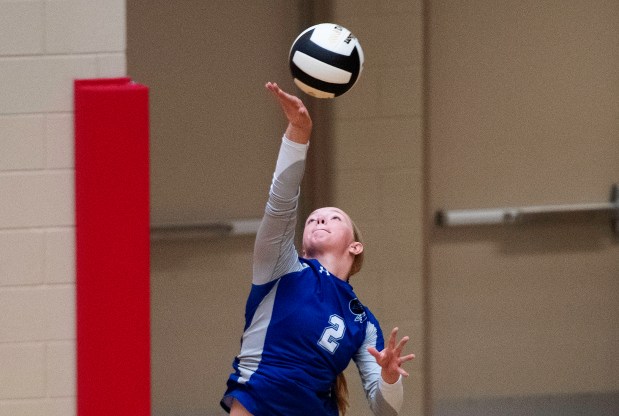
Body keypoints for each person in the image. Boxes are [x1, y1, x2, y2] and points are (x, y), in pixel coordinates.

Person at [220, 82, 415, 416]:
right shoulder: (280, 268)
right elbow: (281, 200)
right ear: (301, 241)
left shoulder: (363, 322)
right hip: (256, 405)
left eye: (333, 217)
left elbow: (386, 411)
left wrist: (389, 378)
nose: (319, 220)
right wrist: (299, 132)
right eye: (313, 219)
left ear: (355, 245)